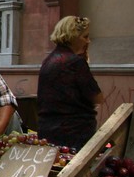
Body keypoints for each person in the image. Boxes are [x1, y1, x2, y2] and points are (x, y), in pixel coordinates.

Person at [36, 16, 104, 150]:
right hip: (74, 133)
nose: (88, 41)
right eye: (85, 37)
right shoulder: (75, 62)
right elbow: (97, 97)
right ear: (73, 36)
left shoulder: (48, 60)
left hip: (47, 131)